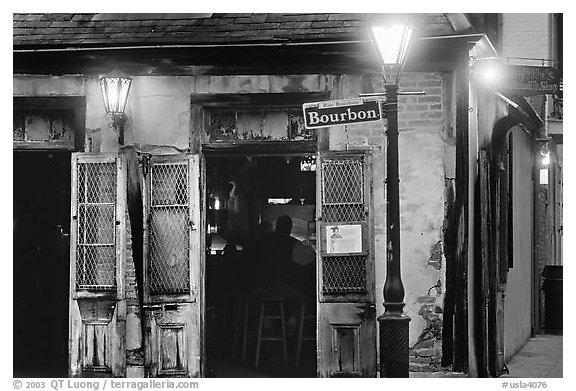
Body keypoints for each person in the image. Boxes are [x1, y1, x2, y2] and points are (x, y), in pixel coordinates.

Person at [256, 215, 315, 298]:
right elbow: (311, 259)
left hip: (261, 286)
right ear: (290, 229)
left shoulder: (261, 242)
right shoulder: (293, 243)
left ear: (276, 227)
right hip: (283, 286)